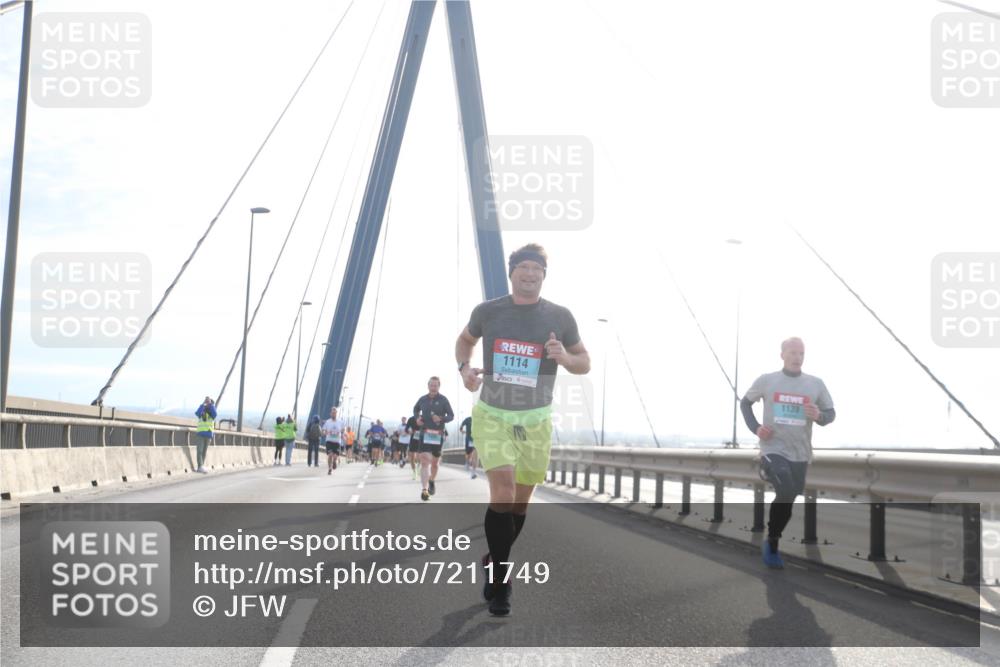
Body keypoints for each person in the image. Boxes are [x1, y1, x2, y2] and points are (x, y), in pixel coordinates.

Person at [456, 243, 590, 616]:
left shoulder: (560, 316)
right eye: (524, 268)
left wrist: (565, 357)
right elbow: (465, 340)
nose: (530, 274)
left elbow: (584, 361)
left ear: (544, 276)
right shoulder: (488, 311)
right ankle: (501, 582)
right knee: (503, 490)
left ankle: (493, 557)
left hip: (535, 420)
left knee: (519, 504)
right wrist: (464, 369)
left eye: (537, 269)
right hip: (493, 414)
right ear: (511, 272)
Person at [741, 337, 836, 570]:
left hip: (800, 453)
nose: (797, 357)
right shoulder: (767, 380)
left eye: (801, 353)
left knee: (790, 495)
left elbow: (830, 413)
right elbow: (745, 403)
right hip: (773, 448)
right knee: (785, 487)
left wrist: (819, 416)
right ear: (782, 354)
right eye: (793, 352)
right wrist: (756, 428)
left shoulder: (815, 384)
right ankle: (773, 545)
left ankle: (772, 537)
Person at [412, 377, 454, 501]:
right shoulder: (422, 399)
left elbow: (451, 415)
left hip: (437, 435)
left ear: (439, 386)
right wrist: (417, 418)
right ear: (428, 386)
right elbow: (415, 409)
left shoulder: (443, 400)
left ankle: (431, 480)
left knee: (435, 463)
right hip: (424, 433)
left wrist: (441, 418)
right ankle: (424, 490)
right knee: (425, 461)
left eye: (436, 385)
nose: (433, 387)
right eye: (431, 385)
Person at [194, 396, 216, 473]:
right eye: (207, 403)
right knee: (199, 450)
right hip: (201, 433)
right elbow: (197, 413)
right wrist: (203, 404)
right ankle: (200, 466)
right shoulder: (202, 411)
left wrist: (210, 405)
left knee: (204, 451)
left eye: (209, 403)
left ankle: (201, 466)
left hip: (208, 434)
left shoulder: (212, 412)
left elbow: (215, 414)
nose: (207, 404)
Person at [322, 407, 346, 474]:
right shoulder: (327, 422)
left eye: (335, 413)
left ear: (336, 414)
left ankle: (334, 461)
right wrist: (324, 433)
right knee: (330, 455)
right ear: (330, 414)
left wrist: (342, 433)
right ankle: (330, 468)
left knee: (335, 456)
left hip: (337, 442)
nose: (333, 414)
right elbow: (323, 430)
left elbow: (343, 429)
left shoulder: (340, 422)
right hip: (329, 441)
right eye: (332, 413)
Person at [460, 415, 477, 479]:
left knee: (475, 456)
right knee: (468, 454)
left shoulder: (480, 419)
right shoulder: (468, 419)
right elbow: (461, 426)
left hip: (477, 440)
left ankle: (473, 472)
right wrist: (462, 430)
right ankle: (467, 462)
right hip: (469, 440)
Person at [405, 414, 421, 478]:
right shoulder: (411, 419)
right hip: (413, 439)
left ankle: (418, 467)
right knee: (412, 457)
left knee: (419, 456)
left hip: (422, 439)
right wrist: (410, 432)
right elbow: (406, 429)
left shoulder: (424, 417)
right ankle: (414, 472)